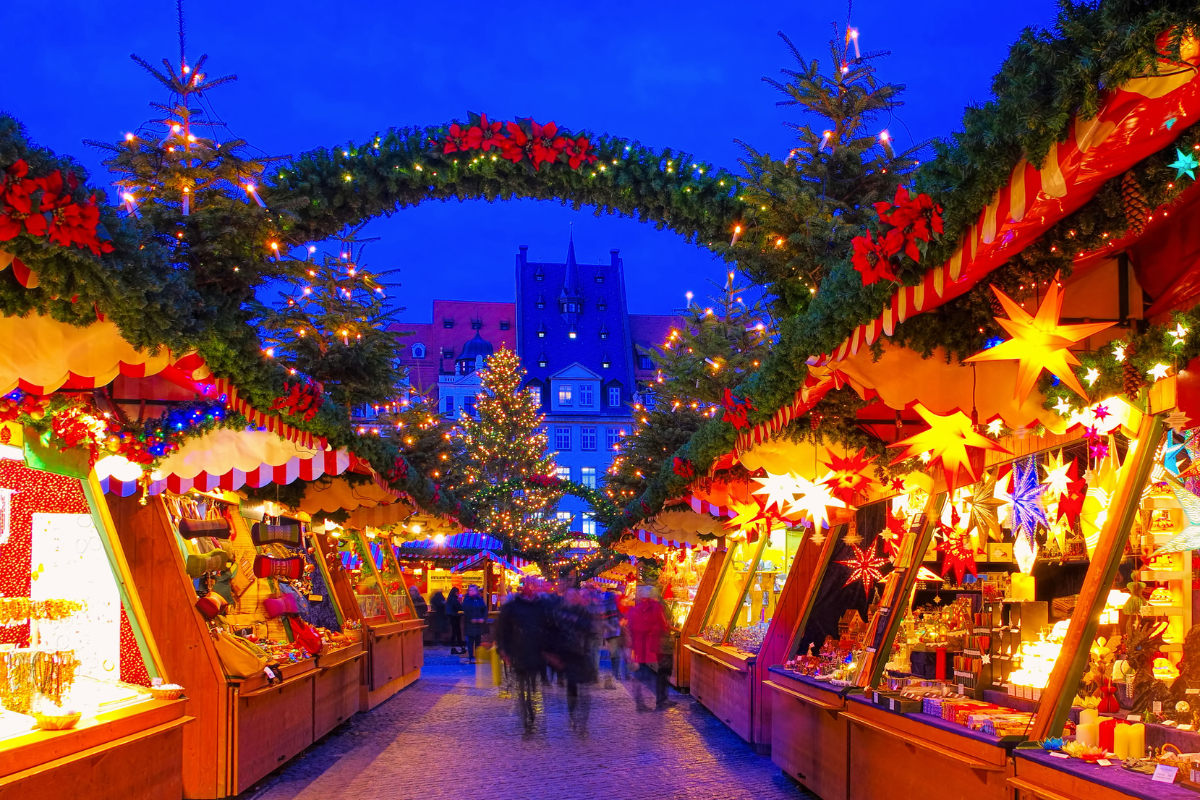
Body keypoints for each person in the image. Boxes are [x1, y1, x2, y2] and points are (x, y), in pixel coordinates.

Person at [495, 578, 551, 732]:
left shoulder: (541, 606)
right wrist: (503, 649)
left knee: (531, 681)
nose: (529, 589)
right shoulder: (512, 607)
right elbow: (502, 630)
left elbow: (549, 627)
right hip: (518, 650)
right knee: (521, 683)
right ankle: (526, 713)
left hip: (534, 650)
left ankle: (529, 708)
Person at [552, 588, 598, 729]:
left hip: (583, 654)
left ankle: (583, 719)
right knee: (572, 687)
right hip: (568, 655)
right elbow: (555, 632)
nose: (573, 598)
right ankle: (573, 715)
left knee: (585, 688)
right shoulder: (559, 613)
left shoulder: (584, 612)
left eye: (575, 596)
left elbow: (591, 630)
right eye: (570, 596)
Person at [627, 585, 673, 710]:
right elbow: (662, 625)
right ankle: (661, 700)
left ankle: (640, 702)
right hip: (654, 644)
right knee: (663, 671)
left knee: (641, 674)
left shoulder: (636, 608)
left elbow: (630, 627)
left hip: (640, 645)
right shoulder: (656, 607)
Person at [461, 584, 488, 663]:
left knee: (478, 641)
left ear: (476, 591)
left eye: (472, 590)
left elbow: (484, 610)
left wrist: (483, 619)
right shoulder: (466, 600)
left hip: (479, 624)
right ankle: (471, 656)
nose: (470, 592)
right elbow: (466, 611)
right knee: (470, 641)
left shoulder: (480, 600)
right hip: (470, 623)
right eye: (469, 590)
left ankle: (477, 656)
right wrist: (473, 619)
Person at [446, 586, 464, 653]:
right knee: (456, 632)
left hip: (452, 617)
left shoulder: (450, 599)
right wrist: (461, 603)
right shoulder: (454, 599)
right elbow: (458, 607)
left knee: (455, 632)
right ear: (456, 592)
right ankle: (459, 647)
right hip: (455, 617)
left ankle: (457, 647)